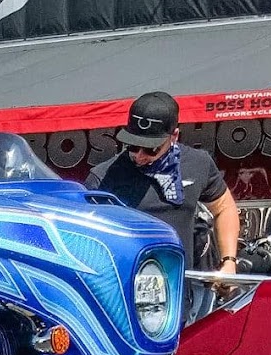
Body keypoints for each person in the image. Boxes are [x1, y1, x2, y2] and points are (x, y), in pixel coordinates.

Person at [87, 91, 239, 282]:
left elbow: (224, 207)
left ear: (174, 136)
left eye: (151, 148)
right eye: (133, 146)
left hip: (180, 290)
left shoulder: (198, 163)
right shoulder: (103, 177)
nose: (140, 155)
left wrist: (229, 262)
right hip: (124, 288)